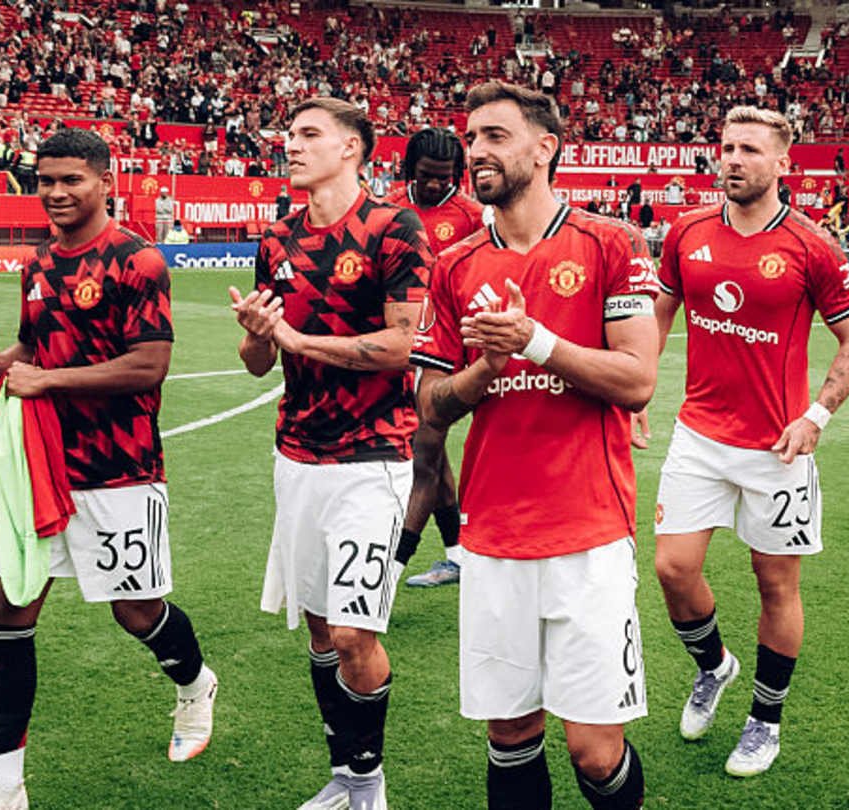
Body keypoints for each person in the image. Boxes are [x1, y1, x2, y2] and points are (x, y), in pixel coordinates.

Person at [411, 80, 658, 810]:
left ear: (545, 148)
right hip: (492, 536)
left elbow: (638, 378)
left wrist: (537, 342)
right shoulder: (455, 265)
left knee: (594, 747)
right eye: (471, 137)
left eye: (494, 135)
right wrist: (485, 369)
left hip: (588, 532)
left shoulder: (611, 243)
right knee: (511, 730)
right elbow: (426, 405)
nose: (475, 150)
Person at [0, 128, 217, 810]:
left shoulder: (138, 261)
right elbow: (33, 345)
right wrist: (5, 364)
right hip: (41, 467)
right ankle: (3, 787)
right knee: (8, 608)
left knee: (136, 612)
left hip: (121, 468)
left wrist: (47, 380)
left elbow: (148, 365)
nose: (55, 192)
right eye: (45, 180)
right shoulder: (39, 263)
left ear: (106, 180)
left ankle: (195, 685)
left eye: (71, 179)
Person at [633, 105, 849, 779]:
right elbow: (659, 312)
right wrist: (640, 388)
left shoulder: (811, 245)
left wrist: (816, 417)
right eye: (727, 146)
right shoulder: (686, 232)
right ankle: (714, 667)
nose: (733, 159)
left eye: (749, 149)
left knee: (775, 583)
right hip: (699, 435)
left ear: (781, 163)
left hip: (778, 449)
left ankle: (764, 721)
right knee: (673, 570)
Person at [230, 97, 431, 810]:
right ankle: (344, 774)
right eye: (289, 134)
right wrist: (258, 331)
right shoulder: (277, 238)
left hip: (372, 458)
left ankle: (369, 782)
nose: (292, 145)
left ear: (352, 148)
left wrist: (301, 342)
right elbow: (258, 363)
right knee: (319, 623)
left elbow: (402, 345)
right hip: (297, 456)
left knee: (352, 632)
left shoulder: (392, 228)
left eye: (309, 135)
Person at [382, 126, 486, 588]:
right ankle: (458, 556)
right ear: (410, 170)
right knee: (434, 455)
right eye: (426, 176)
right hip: (399, 347)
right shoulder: (388, 205)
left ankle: (389, 570)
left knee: (422, 456)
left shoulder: (471, 215)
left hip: (445, 354)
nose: (434, 185)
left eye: (445, 178)